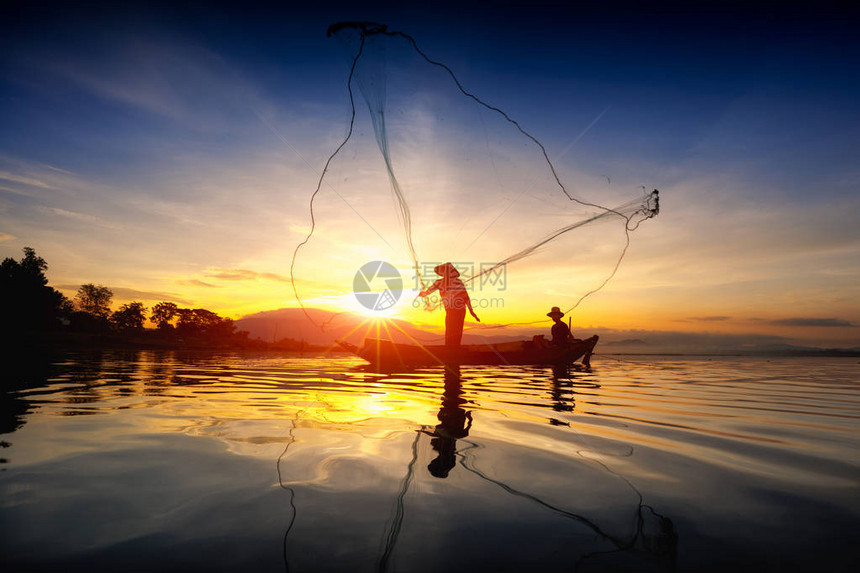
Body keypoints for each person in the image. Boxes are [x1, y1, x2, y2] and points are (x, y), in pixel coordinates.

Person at [418, 262, 480, 348]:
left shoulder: (458, 282)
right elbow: (428, 292)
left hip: (460, 310)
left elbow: (466, 297)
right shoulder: (438, 283)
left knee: (457, 329)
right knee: (450, 328)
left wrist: (471, 311)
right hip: (451, 311)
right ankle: (450, 348)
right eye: (444, 271)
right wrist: (423, 293)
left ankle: (454, 349)